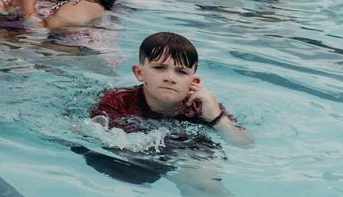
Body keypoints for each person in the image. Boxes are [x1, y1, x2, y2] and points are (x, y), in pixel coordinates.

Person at [90, 32, 249, 144]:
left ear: (193, 82)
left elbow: (244, 143)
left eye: (181, 72)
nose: (170, 78)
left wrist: (216, 118)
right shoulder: (117, 102)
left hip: (183, 145)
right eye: (159, 68)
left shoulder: (202, 106)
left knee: (203, 169)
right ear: (139, 73)